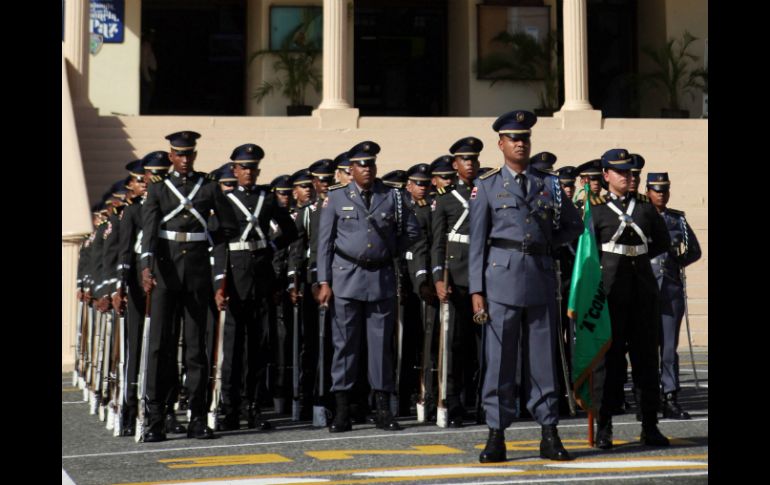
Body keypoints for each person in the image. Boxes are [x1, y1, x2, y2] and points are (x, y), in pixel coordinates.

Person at [468, 110, 583, 463]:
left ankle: (549, 432)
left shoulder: (548, 184)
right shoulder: (487, 186)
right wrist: (476, 291)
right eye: (514, 139)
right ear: (501, 144)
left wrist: (547, 243)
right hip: (501, 279)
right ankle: (496, 434)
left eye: (525, 138)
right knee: (500, 361)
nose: (521, 144)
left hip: (539, 275)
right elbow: (476, 242)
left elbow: (574, 225)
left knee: (542, 361)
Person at [140, 130, 238, 442]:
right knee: (160, 346)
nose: (184, 159)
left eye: (189, 154)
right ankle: (156, 417)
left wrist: (218, 273)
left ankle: (197, 417)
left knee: (196, 349)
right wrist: (146, 266)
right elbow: (149, 231)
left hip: (197, 274)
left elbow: (227, 229)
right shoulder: (158, 189)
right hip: (165, 272)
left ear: (194, 155)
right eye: (179, 154)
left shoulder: (208, 186)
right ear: (171, 156)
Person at [316, 141, 421, 433]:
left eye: (371, 164)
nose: (367, 169)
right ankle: (342, 411)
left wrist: (391, 250)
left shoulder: (392, 196)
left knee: (380, 347)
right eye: (361, 165)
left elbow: (412, 230)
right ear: (351, 169)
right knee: (345, 346)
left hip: (380, 278)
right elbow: (324, 243)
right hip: (346, 277)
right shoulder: (336, 197)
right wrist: (324, 281)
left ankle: (383, 409)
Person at [590, 148, 671, 449]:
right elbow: (587, 252)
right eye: (620, 172)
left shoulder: (646, 208)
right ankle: (604, 426)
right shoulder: (596, 210)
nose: (626, 176)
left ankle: (650, 425)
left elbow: (661, 242)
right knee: (608, 363)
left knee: (646, 360)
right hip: (610, 293)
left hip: (642, 292)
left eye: (629, 172)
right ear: (606, 175)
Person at [215, 144, 298, 431]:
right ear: (235, 170)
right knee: (233, 348)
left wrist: (270, 247)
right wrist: (220, 282)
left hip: (262, 278)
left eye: (253, 168)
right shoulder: (226, 201)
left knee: (258, 346)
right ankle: (230, 409)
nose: (248, 172)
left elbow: (290, 231)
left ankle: (253, 406)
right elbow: (218, 241)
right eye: (244, 167)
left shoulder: (267, 198)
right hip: (235, 278)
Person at [431, 136, 484, 427]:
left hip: (484, 277)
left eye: (474, 159)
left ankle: (483, 402)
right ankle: (454, 403)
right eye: (465, 159)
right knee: (455, 345)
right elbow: (438, 243)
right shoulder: (445, 199)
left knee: (483, 347)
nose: (470, 164)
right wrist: (438, 277)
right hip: (457, 278)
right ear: (455, 164)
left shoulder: (487, 191)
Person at [646, 172, 701, 420]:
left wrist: (678, 262)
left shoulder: (677, 219)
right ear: (648, 192)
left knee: (668, 348)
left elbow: (694, 250)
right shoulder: (641, 215)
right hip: (645, 286)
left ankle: (669, 396)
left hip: (669, 288)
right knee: (645, 347)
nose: (661, 195)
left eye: (665, 190)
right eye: (657, 190)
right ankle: (646, 395)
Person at [140, 29, 158, 114]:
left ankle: (145, 111)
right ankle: (144, 112)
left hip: (151, 73)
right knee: (146, 95)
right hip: (148, 74)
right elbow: (144, 63)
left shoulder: (149, 46)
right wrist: (148, 78)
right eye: (151, 35)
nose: (153, 38)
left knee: (148, 95)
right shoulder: (145, 46)